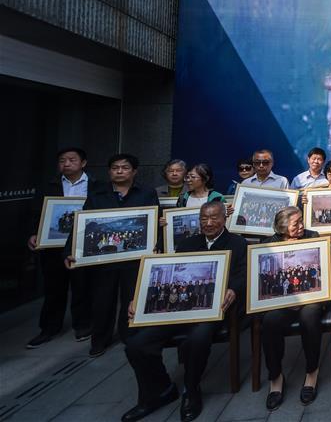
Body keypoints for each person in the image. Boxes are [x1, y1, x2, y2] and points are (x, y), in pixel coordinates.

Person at [121, 201, 246, 422]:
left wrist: (233, 290)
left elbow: (243, 274)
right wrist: (139, 299)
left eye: (214, 218)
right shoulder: (187, 244)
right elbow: (167, 275)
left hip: (213, 309)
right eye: (203, 219)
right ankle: (159, 391)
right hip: (175, 308)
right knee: (136, 344)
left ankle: (191, 389)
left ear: (224, 218)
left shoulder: (237, 243)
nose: (208, 223)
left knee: (197, 338)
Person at [64, 154, 160, 358]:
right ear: (109, 171)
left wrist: (157, 246)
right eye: (115, 167)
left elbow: (155, 222)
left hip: (134, 258)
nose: (119, 171)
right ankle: (99, 339)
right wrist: (69, 251)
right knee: (102, 300)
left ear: (134, 172)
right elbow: (81, 224)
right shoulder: (97, 193)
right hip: (103, 258)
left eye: (125, 168)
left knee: (131, 298)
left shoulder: (146, 193)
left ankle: (129, 336)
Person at [26, 148, 97, 348]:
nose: (66, 163)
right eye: (62, 160)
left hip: (82, 244)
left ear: (83, 163)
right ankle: (48, 328)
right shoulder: (49, 185)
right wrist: (34, 233)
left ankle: (83, 325)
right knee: (54, 288)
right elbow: (36, 213)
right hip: (53, 245)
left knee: (82, 286)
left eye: (71, 159)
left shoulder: (97, 186)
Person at [259, 207, 323, 409]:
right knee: (269, 321)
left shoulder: (313, 237)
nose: (302, 226)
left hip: (308, 298)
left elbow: (325, 266)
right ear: (282, 227)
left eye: (301, 221)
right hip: (281, 300)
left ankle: (312, 372)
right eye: (296, 224)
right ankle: (276, 377)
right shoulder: (267, 245)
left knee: (311, 316)